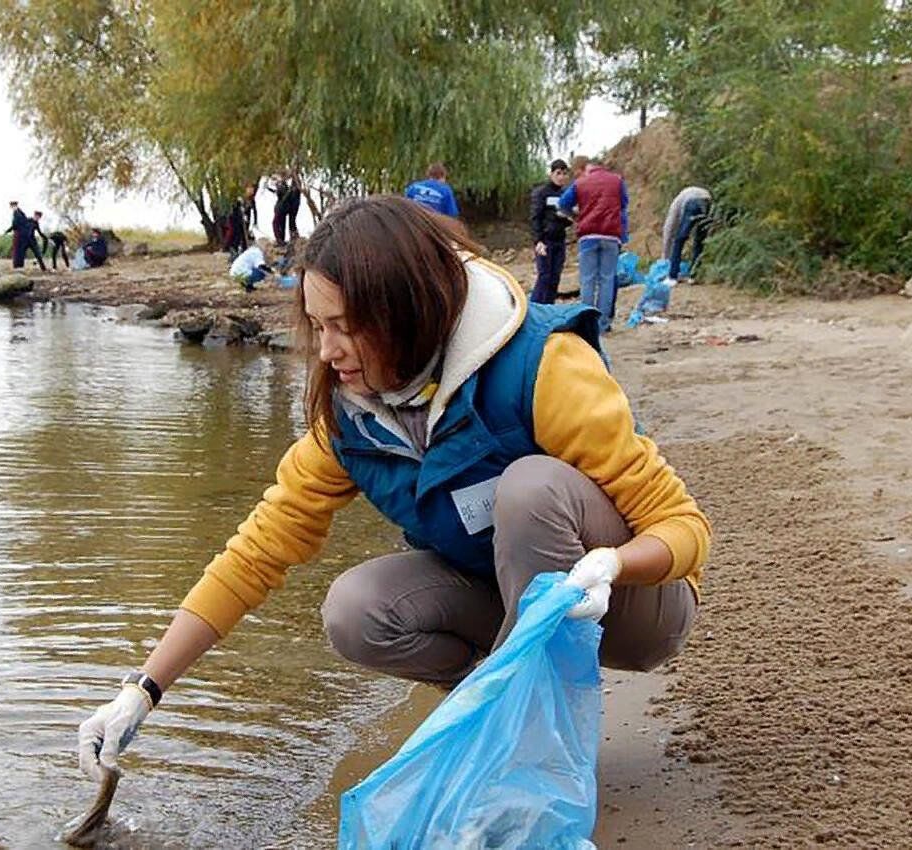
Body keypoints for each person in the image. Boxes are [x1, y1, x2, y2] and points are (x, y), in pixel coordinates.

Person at [75, 196, 710, 786]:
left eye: (345, 327)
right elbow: (257, 552)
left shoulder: (545, 365)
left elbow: (685, 528)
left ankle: (533, 739)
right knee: (356, 608)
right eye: (318, 326)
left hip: (632, 609)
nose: (327, 352)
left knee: (532, 487)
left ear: (406, 311)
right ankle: (498, 717)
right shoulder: (353, 419)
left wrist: (611, 565)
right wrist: (143, 690)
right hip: (506, 603)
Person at [559, 157, 629, 334]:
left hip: (588, 235)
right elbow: (624, 204)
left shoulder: (580, 182)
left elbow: (562, 204)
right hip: (612, 235)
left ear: (586, 169)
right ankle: (603, 324)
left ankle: (586, 325)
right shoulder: (617, 180)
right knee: (607, 279)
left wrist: (576, 215)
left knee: (588, 280)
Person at [528, 159, 573, 304]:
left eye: (564, 173)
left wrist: (567, 218)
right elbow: (535, 218)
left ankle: (549, 308)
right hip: (545, 240)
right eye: (558, 173)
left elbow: (568, 218)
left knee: (555, 277)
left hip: (559, 240)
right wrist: (538, 241)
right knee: (544, 276)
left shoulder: (565, 194)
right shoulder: (541, 193)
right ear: (551, 174)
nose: (561, 177)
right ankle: (535, 307)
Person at [661, 187, 712, 284]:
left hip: (693, 202)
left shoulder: (676, 203)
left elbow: (669, 228)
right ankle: (694, 275)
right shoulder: (685, 195)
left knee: (680, 239)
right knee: (699, 241)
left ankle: (672, 276)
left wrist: (665, 256)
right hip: (707, 201)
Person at [269, 172, 302, 246]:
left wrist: (288, 191)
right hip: (285, 209)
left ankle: (280, 240)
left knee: (276, 224)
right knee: (282, 224)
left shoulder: (284, 187)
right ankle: (282, 240)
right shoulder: (286, 187)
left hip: (281, 209)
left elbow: (283, 197)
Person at [5, 201, 29, 269]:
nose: (12, 208)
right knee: (20, 250)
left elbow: (15, 225)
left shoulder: (17, 213)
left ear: (14, 206)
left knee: (16, 249)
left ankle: (16, 265)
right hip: (22, 234)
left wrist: (8, 230)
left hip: (18, 233)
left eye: (12, 206)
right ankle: (20, 265)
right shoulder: (21, 213)